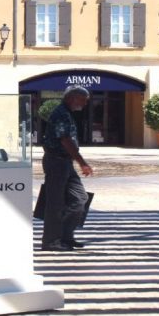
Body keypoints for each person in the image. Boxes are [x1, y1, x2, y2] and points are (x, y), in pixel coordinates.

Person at [40, 85, 93, 251]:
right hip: (56, 161)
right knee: (55, 203)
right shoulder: (61, 114)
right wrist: (82, 162)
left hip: (65, 163)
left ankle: (66, 236)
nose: (84, 104)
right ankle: (51, 241)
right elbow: (65, 140)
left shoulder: (67, 113)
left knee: (80, 198)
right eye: (83, 100)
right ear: (73, 98)